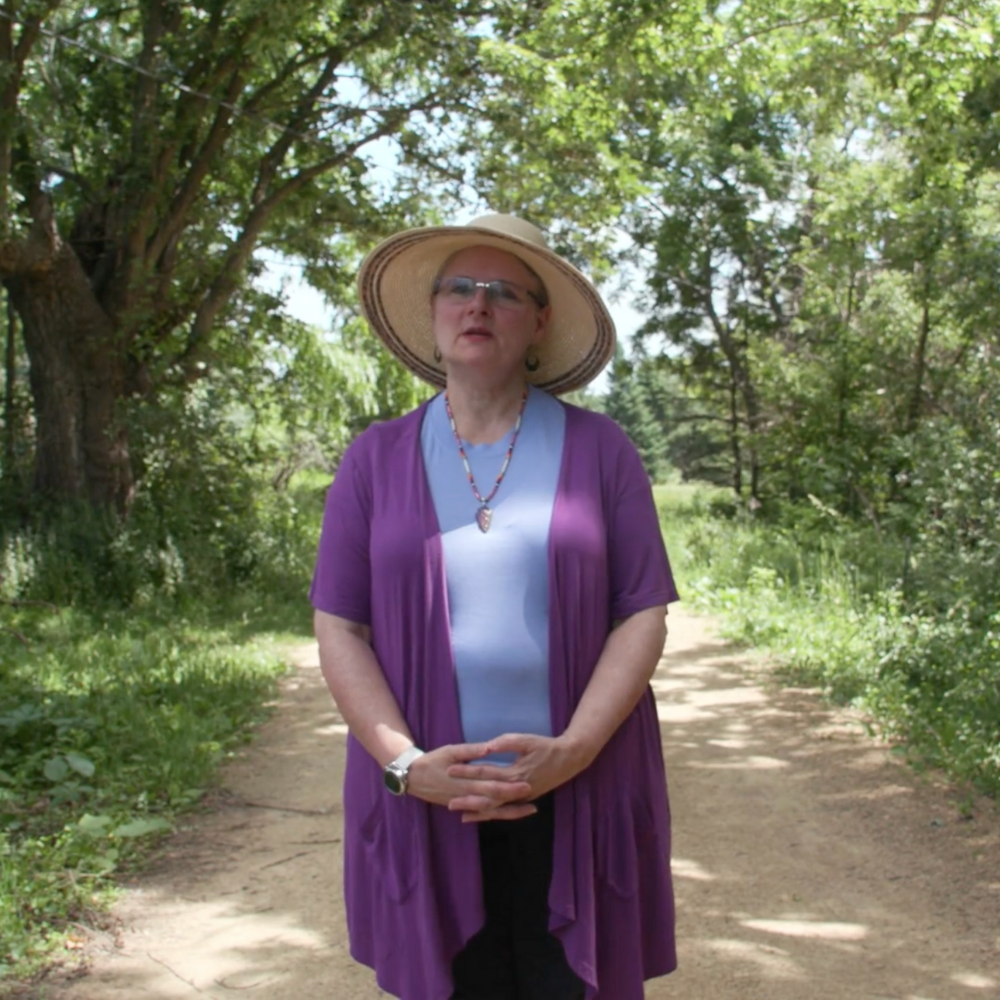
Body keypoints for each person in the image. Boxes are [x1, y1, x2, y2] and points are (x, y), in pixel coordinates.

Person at [311, 213, 679, 1000]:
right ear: (435, 313)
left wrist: (574, 748)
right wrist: (408, 767)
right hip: (432, 795)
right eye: (460, 289)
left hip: (582, 784)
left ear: (539, 323)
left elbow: (642, 612)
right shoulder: (374, 459)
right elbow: (340, 624)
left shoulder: (602, 449)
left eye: (505, 293)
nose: (478, 305)